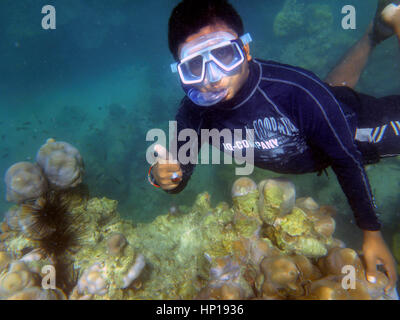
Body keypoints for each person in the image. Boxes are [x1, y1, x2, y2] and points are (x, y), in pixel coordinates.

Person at [149, 0, 399, 292]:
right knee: (332, 91)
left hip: (359, 129)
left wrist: (371, 233)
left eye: (223, 55)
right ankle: (376, 31)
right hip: (319, 113)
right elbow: (177, 176)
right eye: (194, 67)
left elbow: (345, 159)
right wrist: (161, 176)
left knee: (335, 105)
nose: (212, 77)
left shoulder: (296, 91)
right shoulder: (194, 112)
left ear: (245, 51)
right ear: (181, 72)